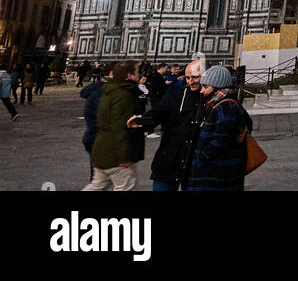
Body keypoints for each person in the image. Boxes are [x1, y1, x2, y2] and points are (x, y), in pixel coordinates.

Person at [129, 60, 207, 191]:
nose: (190, 81)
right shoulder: (176, 95)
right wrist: (142, 121)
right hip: (168, 160)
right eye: (187, 77)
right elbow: (159, 112)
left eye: (195, 77)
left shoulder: (211, 99)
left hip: (194, 164)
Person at [83, 61, 146, 192]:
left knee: (97, 186)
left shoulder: (109, 91)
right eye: (137, 72)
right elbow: (121, 127)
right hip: (115, 153)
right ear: (129, 75)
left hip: (102, 148)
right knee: (125, 187)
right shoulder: (124, 96)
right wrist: (124, 156)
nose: (139, 74)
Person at [188, 65, 253, 191]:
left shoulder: (225, 107)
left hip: (218, 173)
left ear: (218, 88)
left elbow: (222, 139)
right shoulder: (215, 104)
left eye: (205, 87)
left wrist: (202, 157)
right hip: (215, 172)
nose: (202, 90)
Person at [79, 72, 104, 172]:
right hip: (99, 137)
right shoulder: (103, 93)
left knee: (97, 175)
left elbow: (83, 93)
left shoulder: (96, 89)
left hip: (91, 136)